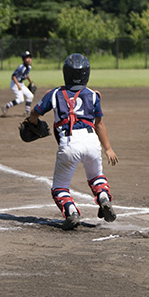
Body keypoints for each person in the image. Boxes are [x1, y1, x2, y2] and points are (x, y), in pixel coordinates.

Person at [28, 53, 119, 230]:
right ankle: (103, 198)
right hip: (91, 140)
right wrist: (108, 148)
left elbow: (34, 113)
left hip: (69, 142)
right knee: (96, 177)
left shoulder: (54, 93)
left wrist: (33, 122)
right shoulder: (93, 95)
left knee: (59, 187)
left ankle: (71, 212)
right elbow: (99, 124)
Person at [1, 50, 34, 117]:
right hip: (15, 84)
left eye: (30, 57)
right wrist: (18, 85)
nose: (29, 59)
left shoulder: (29, 67)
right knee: (20, 99)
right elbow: (13, 76)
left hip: (21, 84)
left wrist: (31, 82)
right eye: (27, 58)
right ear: (23, 60)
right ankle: (6, 107)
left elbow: (26, 75)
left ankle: (26, 112)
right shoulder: (21, 67)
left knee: (30, 95)